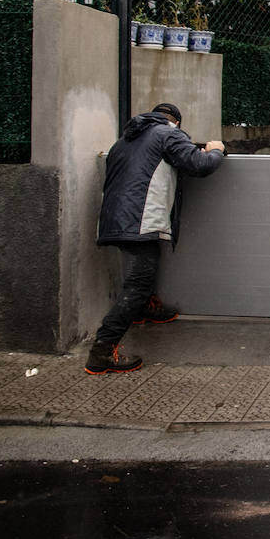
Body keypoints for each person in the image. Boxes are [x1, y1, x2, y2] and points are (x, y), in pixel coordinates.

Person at [87, 103, 225, 374]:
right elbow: (200, 165)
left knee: (142, 271)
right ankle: (102, 351)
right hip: (139, 219)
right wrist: (216, 150)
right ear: (176, 122)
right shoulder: (168, 134)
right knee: (137, 284)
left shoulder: (125, 139)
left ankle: (143, 310)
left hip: (115, 217)